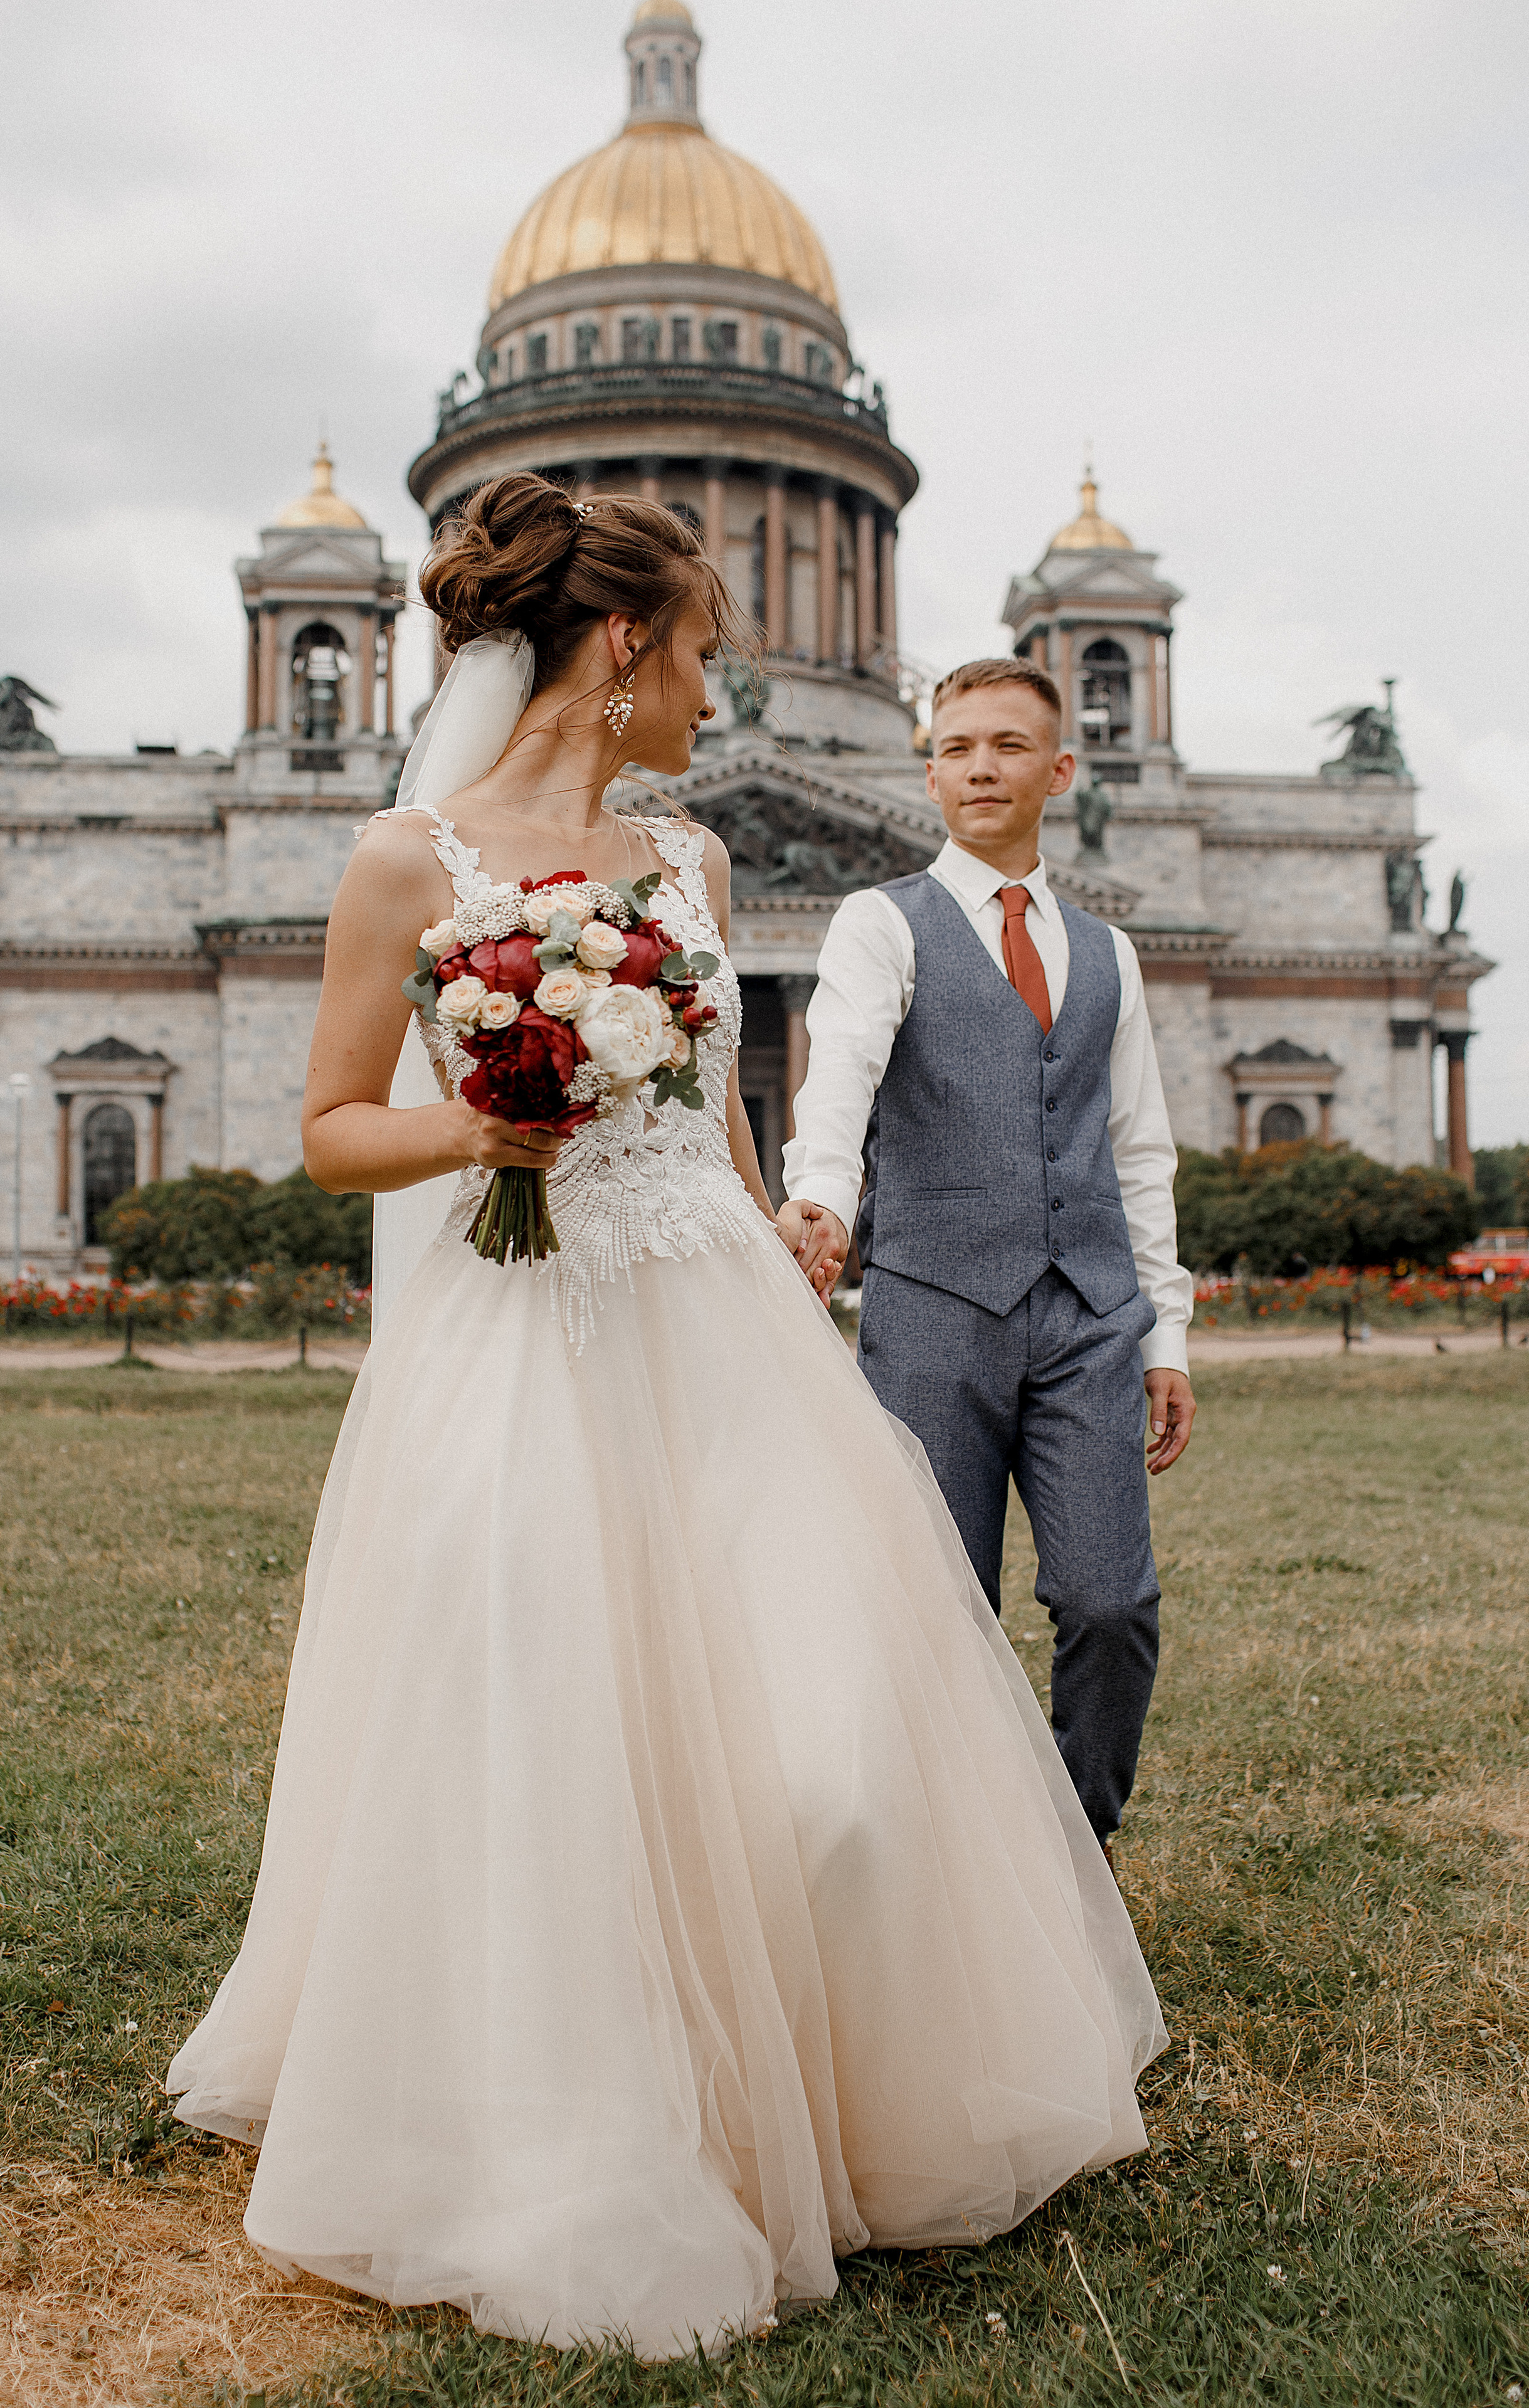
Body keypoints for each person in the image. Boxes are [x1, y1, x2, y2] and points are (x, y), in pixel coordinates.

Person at [167, 481, 1166, 2363]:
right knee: (556, 1747)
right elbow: (330, 1131)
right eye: (703, 650)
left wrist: (779, 1233)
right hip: (528, 1339)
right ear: (624, 645)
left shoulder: (695, 859)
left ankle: (830, 2089)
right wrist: (484, 1123)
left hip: (717, 1320)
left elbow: (711, 1108)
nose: (719, 691)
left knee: (833, 1742)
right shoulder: (400, 862)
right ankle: (587, 2128)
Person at [781, 657, 1196, 1855]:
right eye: (957, 748)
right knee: (936, 1606)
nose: (979, 768)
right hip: (933, 1312)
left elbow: (1139, 1150)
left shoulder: (1109, 953)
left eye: (1008, 746)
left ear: (1058, 772)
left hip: (1090, 1317)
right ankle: (942, 1867)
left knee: (1112, 1605)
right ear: (929, 775)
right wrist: (822, 1199)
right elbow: (841, 1071)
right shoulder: (881, 922)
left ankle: (1073, 1850)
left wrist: (1165, 1335)